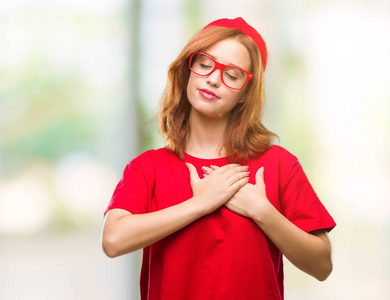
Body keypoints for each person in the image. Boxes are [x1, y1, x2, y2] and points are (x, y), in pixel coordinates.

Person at [101, 17, 336, 300]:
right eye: (204, 64)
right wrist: (199, 204)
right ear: (188, 69)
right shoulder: (148, 167)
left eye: (232, 75)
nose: (213, 78)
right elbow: (113, 240)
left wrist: (263, 212)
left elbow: (322, 265)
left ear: (245, 95)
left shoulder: (279, 165)